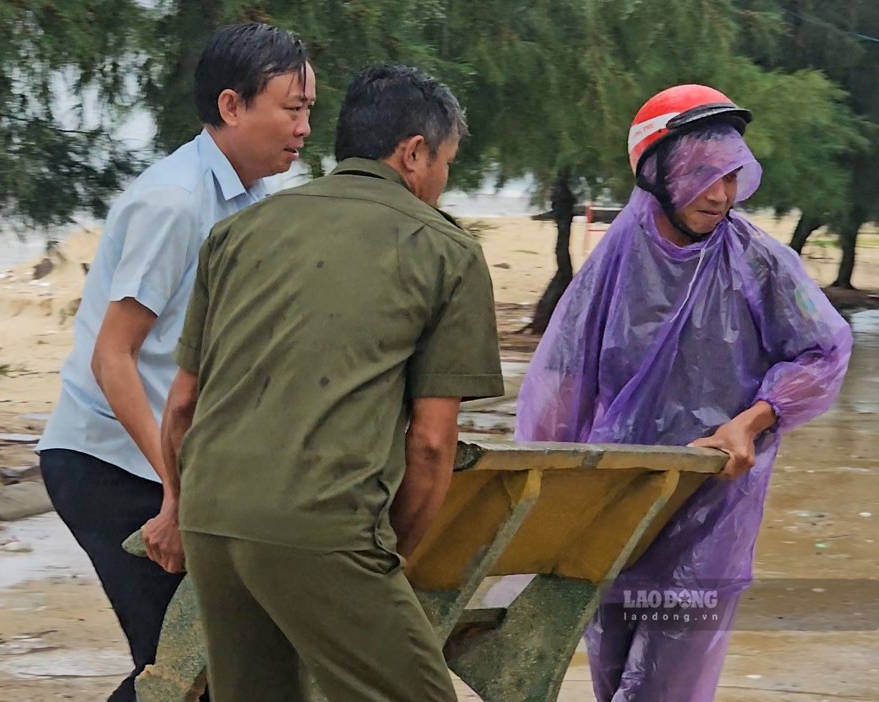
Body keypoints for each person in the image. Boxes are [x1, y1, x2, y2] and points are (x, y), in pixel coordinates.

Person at [156, 64, 504, 701]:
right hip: (323, 525)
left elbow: (182, 406)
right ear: (414, 152)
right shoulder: (446, 251)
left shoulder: (237, 232)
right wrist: (383, 560)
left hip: (211, 516)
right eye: (447, 162)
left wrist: (179, 509)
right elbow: (431, 444)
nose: (443, 180)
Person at [515, 84, 852, 701]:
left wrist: (751, 422)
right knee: (613, 679)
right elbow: (561, 383)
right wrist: (548, 507)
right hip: (614, 507)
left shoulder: (760, 263)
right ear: (656, 173)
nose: (722, 195)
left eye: (731, 176)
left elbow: (824, 350)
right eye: (705, 175)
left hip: (710, 514)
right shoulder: (613, 259)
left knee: (661, 691)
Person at [36, 23, 314, 701]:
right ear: (231, 106)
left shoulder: (252, 200)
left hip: (174, 463)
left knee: (200, 669)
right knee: (185, 667)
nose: (306, 126)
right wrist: (175, 490)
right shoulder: (176, 201)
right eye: (292, 107)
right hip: (109, 463)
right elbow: (113, 357)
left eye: (310, 109)